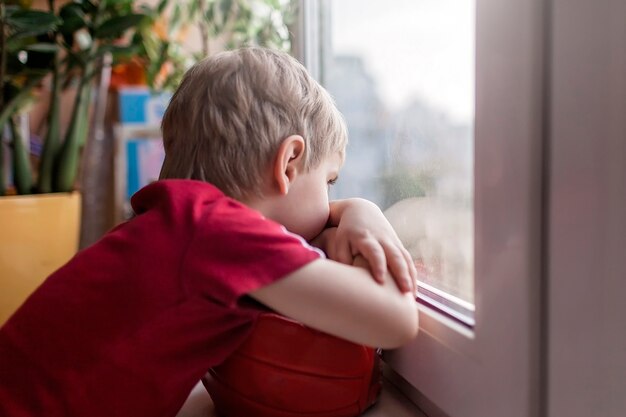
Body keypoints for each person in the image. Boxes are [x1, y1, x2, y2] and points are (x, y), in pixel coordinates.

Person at [0, 47, 419, 417]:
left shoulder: (171, 222)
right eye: (329, 183)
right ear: (289, 163)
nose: (330, 207)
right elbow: (396, 321)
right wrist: (364, 212)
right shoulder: (221, 234)